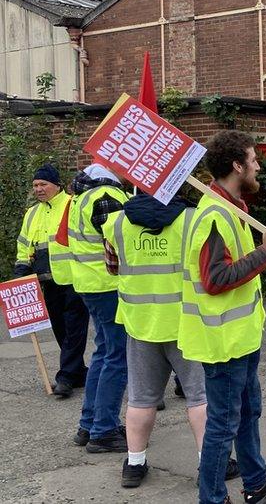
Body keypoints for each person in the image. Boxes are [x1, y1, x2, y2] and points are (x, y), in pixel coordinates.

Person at [178, 130, 266, 503]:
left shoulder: (231, 208)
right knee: (223, 425)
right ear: (236, 165)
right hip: (223, 343)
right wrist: (265, 253)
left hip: (241, 336)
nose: (258, 165)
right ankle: (212, 498)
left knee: (247, 412)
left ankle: (256, 481)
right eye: (253, 159)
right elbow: (215, 280)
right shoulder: (214, 215)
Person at [103, 191, 239, 488]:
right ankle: (210, 463)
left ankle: (134, 464)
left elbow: (113, 268)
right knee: (200, 398)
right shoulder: (193, 220)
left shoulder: (116, 223)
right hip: (187, 323)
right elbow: (210, 269)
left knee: (140, 399)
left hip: (141, 324)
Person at [68, 163, 129, 453]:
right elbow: (119, 241)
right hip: (108, 284)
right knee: (117, 356)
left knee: (104, 352)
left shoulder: (82, 195)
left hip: (89, 284)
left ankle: (89, 423)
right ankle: (103, 429)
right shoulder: (106, 195)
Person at [14, 164, 89, 398]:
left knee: (75, 328)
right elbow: (25, 244)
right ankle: (78, 373)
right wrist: (21, 269)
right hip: (48, 280)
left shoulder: (72, 205)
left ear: (56, 185)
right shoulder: (32, 213)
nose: (38, 189)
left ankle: (66, 376)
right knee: (60, 328)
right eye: (35, 185)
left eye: (43, 184)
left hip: (75, 278)